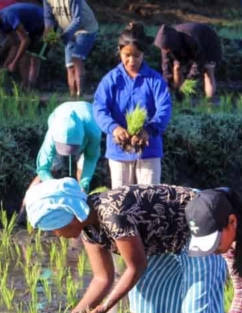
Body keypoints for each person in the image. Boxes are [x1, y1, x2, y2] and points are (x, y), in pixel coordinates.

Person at [24, 178, 227, 313]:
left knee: (195, 304)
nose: (55, 235)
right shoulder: (88, 227)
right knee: (142, 292)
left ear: (69, 219)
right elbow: (102, 278)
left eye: (54, 229)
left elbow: (136, 267)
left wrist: (103, 309)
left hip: (199, 224)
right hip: (161, 236)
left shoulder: (113, 215)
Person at [93, 23, 172, 188]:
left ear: (143, 53)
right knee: (122, 201)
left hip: (149, 150)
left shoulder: (155, 80)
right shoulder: (111, 79)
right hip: (118, 151)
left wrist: (147, 131)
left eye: (136, 56)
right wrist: (114, 128)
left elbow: (164, 109)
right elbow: (99, 108)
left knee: (149, 199)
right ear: (119, 51)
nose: (131, 60)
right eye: (126, 55)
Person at [17, 101, 102, 223]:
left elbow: (91, 158)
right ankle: (24, 208)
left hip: (86, 128)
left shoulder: (93, 129)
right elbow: (42, 168)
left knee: (82, 168)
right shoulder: (53, 132)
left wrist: (84, 182)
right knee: (52, 168)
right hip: (59, 115)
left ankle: (79, 205)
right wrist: (54, 187)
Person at [43, 0, 99, 97]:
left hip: (85, 28)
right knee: (69, 65)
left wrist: (63, 35)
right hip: (68, 30)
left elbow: (77, 19)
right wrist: (49, 31)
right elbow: (49, 17)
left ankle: (79, 95)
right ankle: (72, 96)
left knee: (76, 58)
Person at [153, 23, 222, 101]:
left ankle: (210, 101)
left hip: (207, 42)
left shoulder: (190, 39)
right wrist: (167, 86)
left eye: (167, 49)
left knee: (208, 72)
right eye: (164, 49)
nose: (165, 51)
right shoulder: (165, 45)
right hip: (184, 47)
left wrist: (188, 81)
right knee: (177, 67)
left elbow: (198, 62)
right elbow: (166, 67)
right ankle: (178, 95)